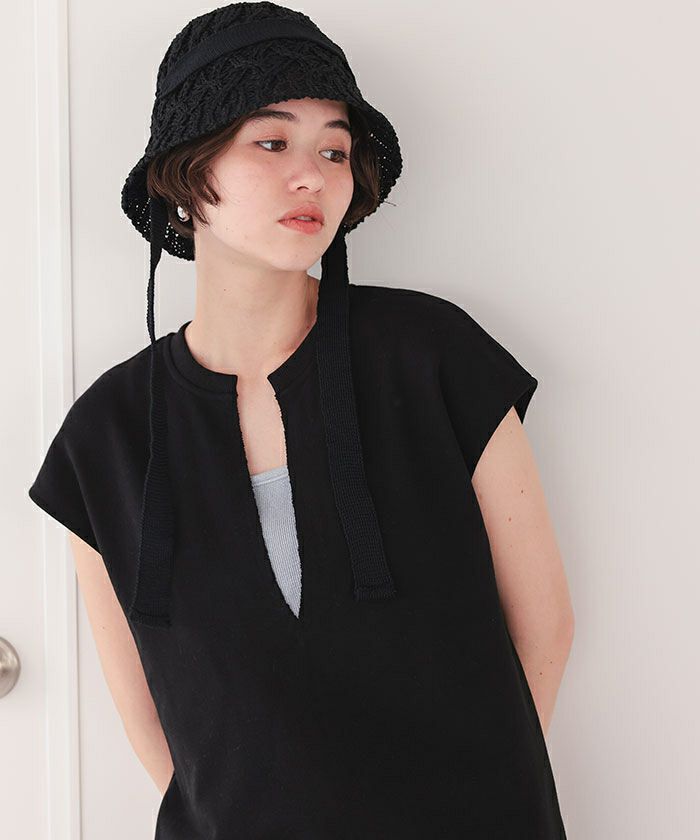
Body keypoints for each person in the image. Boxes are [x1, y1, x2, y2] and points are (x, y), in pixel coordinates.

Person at [28, 3, 574, 837]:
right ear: (185, 172)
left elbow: (545, 627)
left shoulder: (432, 356)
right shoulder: (106, 438)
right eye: (272, 142)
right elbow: (154, 719)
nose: (312, 175)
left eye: (334, 150)